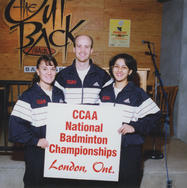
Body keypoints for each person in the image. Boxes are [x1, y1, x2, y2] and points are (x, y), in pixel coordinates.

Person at [99, 53, 161, 187]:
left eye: (124, 67)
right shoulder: (103, 92)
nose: (119, 70)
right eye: (116, 66)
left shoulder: (137, 93)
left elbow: (156, 116)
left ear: (130, 71)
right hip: (105, 149)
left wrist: (135, 127)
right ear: (111, 69)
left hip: (129, 149)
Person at [8, 55, 64, 187]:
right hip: (36, 153)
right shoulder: (28, 96)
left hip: (57, 152)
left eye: (52, 69)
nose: (49, 72)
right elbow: (15, 130)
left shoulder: (59, 94)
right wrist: (36, 141)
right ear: (37, 71)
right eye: (44, 69)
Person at [55, 34, 112, 104]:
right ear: (74, 49)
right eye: (79, 46)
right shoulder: (62, 75)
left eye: (86, 47)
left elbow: (107, 104)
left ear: (91, 50)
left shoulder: (103, 75)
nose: (83, 50)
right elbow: (57, 103)